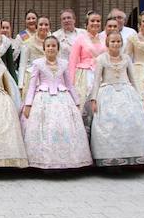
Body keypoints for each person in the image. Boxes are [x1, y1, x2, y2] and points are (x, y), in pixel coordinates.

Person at [22, 36, 92, 169]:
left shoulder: (64, 63)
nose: (51, 48)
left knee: (63, 126)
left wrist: (76, 101)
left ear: (58, 48)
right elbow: (32, 85)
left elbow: (69, 84)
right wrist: (28, 104)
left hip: (63, 98)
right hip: (43, 98)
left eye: (54, 46)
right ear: (44, 49)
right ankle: (44, 160)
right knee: (46, 128)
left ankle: (67, 160)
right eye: (48, 46)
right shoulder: (38, 63)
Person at [88, 31, 144, 167]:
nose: (115, 44)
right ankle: (111, 159)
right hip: (107, 93)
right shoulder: (101, 59)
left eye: (118, 41)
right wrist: (93, 99)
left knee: (130, 121)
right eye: (113, 41)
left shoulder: (126, 59)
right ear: (107, 43)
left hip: (126, 92)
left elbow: (133, 79)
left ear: (122, 43)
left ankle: (128, 157)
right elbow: (96, 81)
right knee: (109, 124)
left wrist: (140, 97)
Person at [68, 12, 107, 105]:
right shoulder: (80, 38)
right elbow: (72, 61)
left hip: (102, 73)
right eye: (92, 21)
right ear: (86, 24)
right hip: (85, 74)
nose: (95, 23)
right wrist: (71, 83)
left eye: (98, 21)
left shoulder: (105, 38)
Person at [17, 16, 51, 95]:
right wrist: (20, 85)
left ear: (49, 27)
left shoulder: (53, 41)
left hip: (49, 77)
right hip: (32, 77)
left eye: (46, 25)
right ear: (37, 26)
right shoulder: (28, 42)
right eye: (41, 24)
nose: (43, 27)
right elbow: (22, 64)